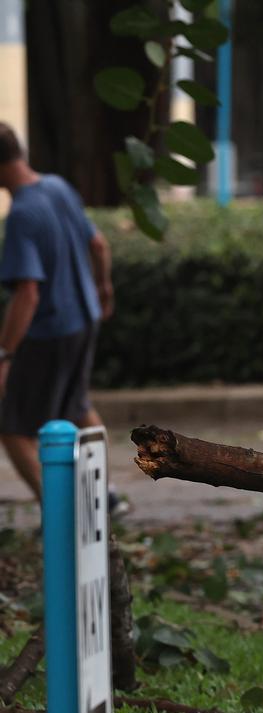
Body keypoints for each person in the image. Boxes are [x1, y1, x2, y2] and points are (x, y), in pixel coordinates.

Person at [0, 122, 114, 503]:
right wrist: (103, 287)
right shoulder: (58, 187)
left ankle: (60, 513)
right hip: (85, 318)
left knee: (13, 430)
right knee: (78, 407)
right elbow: (98, 244)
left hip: (49, 331)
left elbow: (28, 293)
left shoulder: (21, 215)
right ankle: (104, 496)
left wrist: (5, 353)